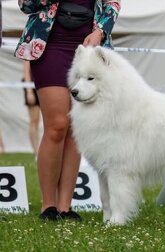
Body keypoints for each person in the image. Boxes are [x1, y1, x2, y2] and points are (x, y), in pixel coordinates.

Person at [15, 0, 121, 221]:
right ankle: (48, 206)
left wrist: (100, 32)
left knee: (75, 129)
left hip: (89, 48)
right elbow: (25, 5)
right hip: (50, 43)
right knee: (57, 125)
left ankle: (65, 206)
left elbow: (113, 4)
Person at [23, 61, 40, 156]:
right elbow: (26, 70)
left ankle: (40, 150)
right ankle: (36, 151)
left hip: (43, 82)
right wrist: (29, 91)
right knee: (34, 120)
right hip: (31, 85)